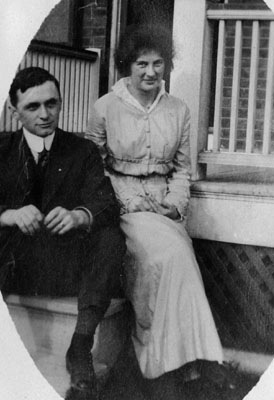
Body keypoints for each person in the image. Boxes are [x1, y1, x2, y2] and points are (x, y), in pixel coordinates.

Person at [85, 24, 225, 387]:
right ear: (126, 66)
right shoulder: (105, 108)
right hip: (124, 206)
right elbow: (93, 169)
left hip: (164, 206)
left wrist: (175, 205)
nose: (151, 72)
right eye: (141, 64)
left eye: (158, 63)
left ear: (168, 65)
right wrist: (126, 201)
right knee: (167, 257)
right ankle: (177, 362)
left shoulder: (179, 110)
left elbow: (182, 170)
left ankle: (179, 361)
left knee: (177, 253)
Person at [0, 67, 126, 400]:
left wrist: (79, 216)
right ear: (14, 112)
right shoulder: (1, 150)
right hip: (12, 266)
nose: (45, 114)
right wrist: (8, 215)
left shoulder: (80, 150)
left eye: (52, 104)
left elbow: (107, 204)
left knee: (110, 237)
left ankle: (81, 346)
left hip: (62, 266)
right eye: (33, 107)